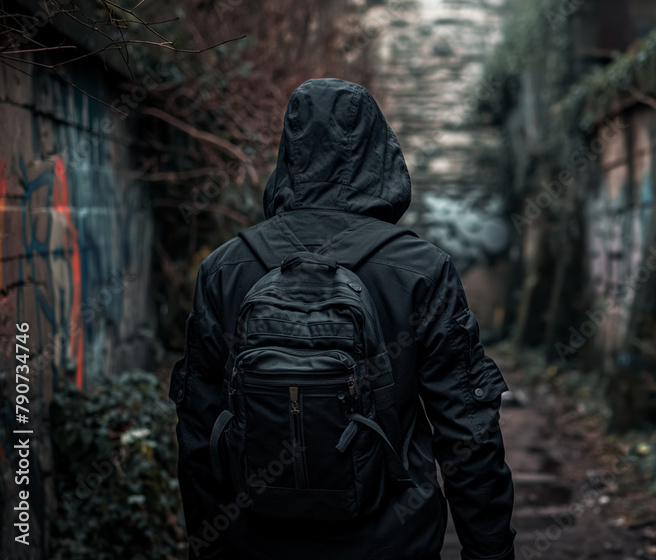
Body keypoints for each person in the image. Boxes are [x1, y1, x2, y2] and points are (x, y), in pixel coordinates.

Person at [169, 78, 516, 560]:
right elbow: (467, 433)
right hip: (395, 540)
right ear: (381, 153)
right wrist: (491, 553)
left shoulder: (227, 267)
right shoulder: (421, 269)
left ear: (288, 153)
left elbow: (199, 432)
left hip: (258, 540)